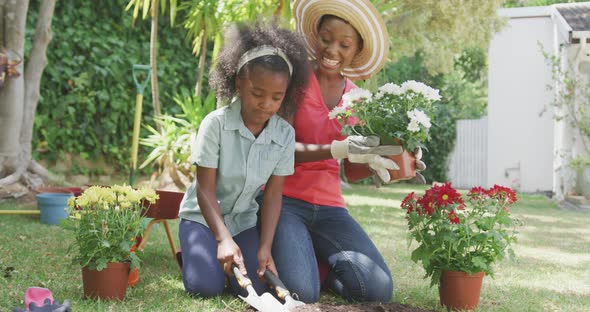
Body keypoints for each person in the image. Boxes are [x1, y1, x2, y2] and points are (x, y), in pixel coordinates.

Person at [258, 0, 426, 303]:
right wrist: (337, 148)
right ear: (315, 36)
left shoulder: (357, 99)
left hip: (329, 207)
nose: (332, 50)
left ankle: (316, 260)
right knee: (303, 292)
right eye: (326, 38)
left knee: (378, 289)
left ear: (355, 51)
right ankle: (306, 259)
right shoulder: (293, 81)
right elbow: (277, 149)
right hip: (283, 200)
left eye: (344, 44)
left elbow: (350, 167)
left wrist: (384, 167)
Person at [177, 20, 309, 298]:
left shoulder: (284, 135)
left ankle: (214, 259)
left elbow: (273, 196)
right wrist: (223, 239)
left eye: (277, 97)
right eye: (258, 94)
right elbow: (205, 189)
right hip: (202, 218)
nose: (267, 104)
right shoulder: (215, 125)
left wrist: (265, 247)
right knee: (206, 288)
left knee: (257, 287)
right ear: (238, 82)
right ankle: (194, 255)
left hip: (244, 221)